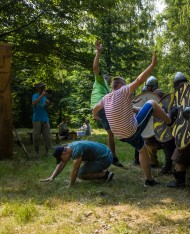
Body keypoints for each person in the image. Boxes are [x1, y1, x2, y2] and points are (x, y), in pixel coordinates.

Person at [92, 51, 178, 186]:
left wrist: (96, 117)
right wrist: (152, 64)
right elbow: (139, 80)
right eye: (126, 85)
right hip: (132, 130)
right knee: (152, 103)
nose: (130, 89)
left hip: (121, 135)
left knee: (142, 149)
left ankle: (149, 180)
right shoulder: (123, 91)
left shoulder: (105, 99)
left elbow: (94, 110)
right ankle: (169, 120)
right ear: (120, 86)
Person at [91, 40, 123, 167]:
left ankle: (111, 156)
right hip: (100, 107)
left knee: (111, 132)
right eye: (107, 79)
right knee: (111, 132)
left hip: (100, 108)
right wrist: (98, 52)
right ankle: (113, 158)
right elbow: (95, 68)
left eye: (109, 81)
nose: (108, 81)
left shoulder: (107, 89)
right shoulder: (100, 81)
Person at [40, 140, 114, 187]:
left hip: (106, 158)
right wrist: (52, 177)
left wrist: (70, 185)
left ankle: (105, 175)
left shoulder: (76, 150)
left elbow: (75, 170)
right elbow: (61, 164)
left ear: (63, 153)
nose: (61, 161)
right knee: (84, 168)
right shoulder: (69, 148)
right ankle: (100, 173)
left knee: (80, 174)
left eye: (61, 158)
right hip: (105, 153)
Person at [32, 82, 51, 157]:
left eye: (43, 87)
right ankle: (37, 153)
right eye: (41, 87)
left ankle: (47, 152)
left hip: (45, 119)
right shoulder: (35, 95)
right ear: (38, 89)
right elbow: (34, 103)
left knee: (47, 136)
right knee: (36, 137)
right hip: (37, 119)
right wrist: (41, 96)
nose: (43, 89)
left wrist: (48, 103)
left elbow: (46, 105)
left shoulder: (44, 97)